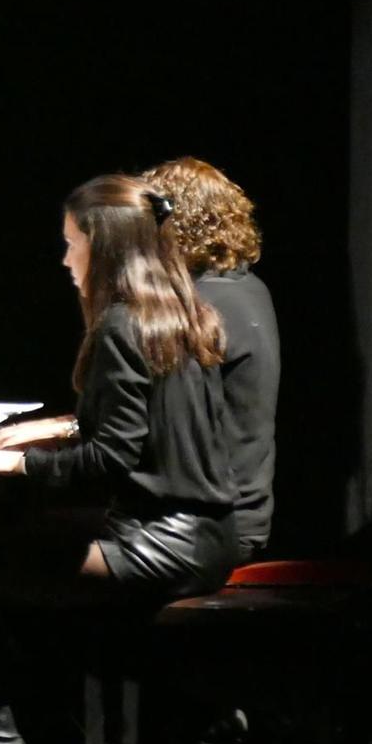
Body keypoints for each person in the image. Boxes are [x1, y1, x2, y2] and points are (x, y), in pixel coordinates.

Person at [0, 173, 237, 744]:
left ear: (104, 247)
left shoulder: (121, 326)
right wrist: (60, 428)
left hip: (159, 545)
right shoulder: (179, 315)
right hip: (204, 535)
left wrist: (6, 465)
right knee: (12, 556)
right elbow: (145, 430)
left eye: (72, 244)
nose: (66, 260)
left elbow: (107, 462)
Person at [143, 157, 278, 561]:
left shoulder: (202, 307)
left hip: (205, 529)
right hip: (239, 517)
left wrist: (61, 439)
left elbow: (153, 429)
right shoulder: (249, 289)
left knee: (2, 553)